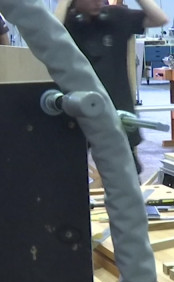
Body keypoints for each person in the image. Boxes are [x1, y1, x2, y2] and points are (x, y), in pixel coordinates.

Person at [55, 0, 168, 175]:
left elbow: (159, 19)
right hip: (77, 111)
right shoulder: (67, 23)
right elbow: (51, 34)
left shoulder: (116, 17)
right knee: (68, 177)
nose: (97, 1)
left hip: (117, 112)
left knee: (126, 177)